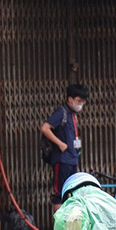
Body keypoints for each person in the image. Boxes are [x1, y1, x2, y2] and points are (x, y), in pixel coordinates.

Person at [41, 84, 88, 220]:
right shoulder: (61, 112)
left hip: (72, 159)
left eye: (82, 102)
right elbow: (45, 128)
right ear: (70, 99)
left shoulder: (73, 115)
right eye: (78, 101)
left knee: (69, 193)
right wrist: (60, 144)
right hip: (62, 159)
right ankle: (60, 229)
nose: (81, 105)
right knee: (59, 194)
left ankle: (69, 228)